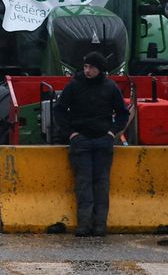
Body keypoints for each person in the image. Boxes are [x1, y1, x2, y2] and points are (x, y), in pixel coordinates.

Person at [54, 51, 130, 236]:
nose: (87, 70)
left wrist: (111, 133)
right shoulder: (74, 85)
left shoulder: (110, 87)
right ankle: (84, 224)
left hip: (103, 141)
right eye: (86, 66)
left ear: (100, 69)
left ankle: (100, 225)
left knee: (101, 183)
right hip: (81, 141)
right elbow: (60, 110)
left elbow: (123, 113)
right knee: (83, 183)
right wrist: (71, 133)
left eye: (92, 67)